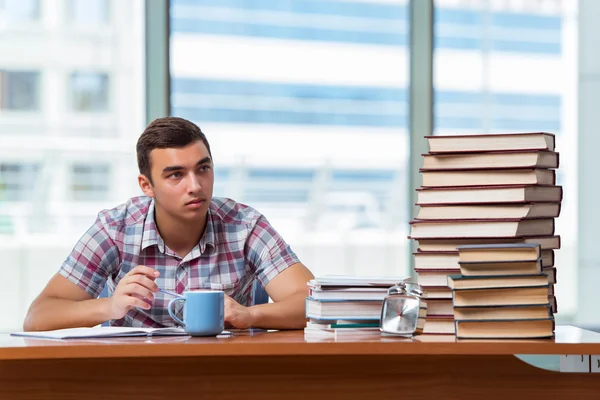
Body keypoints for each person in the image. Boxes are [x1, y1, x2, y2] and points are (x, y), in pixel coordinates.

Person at [23, 117, 314, 331]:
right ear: (146, 185)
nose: (196, 186)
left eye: (203, 169)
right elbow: (39, 316)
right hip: (135, 378)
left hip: (224, 374)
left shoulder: (244, 225)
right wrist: (109, 306)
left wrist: (250, 315)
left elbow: (312, 303)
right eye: (176, 175)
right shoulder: (115, 229)